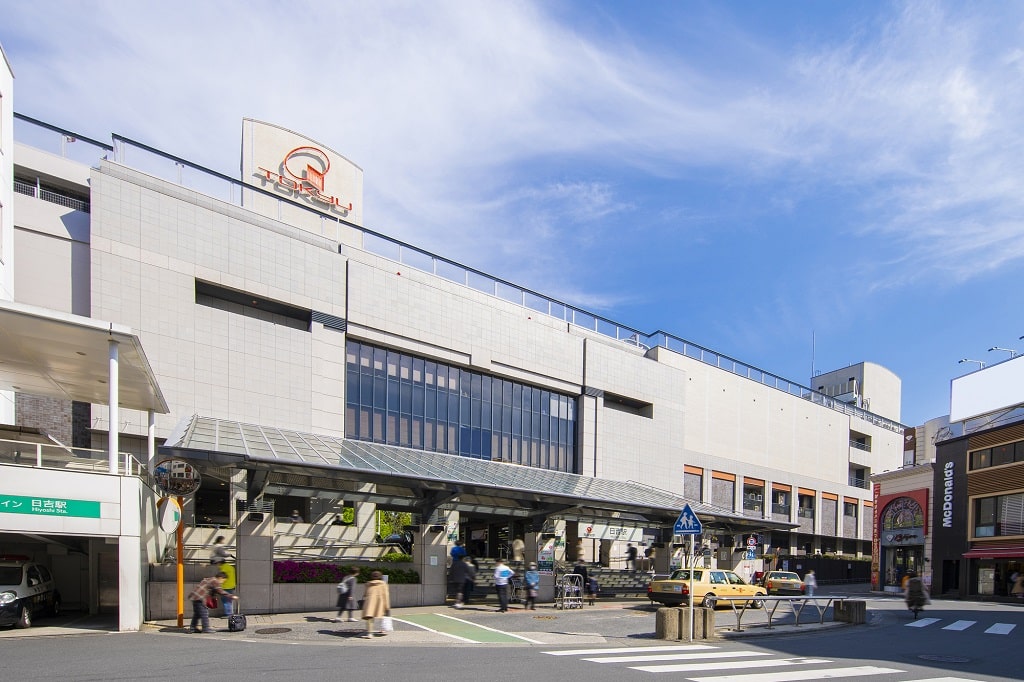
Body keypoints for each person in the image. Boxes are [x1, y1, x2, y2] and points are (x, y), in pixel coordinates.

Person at [361, 570, 391, 638]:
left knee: (369, 617)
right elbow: (386, 595)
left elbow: (365, 594)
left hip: (370, 602)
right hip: (380, 602)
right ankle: (383, 629)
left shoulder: (368, 584)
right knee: (383, 616)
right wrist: (387, 606)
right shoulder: (383, 584)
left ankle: (369, 633)